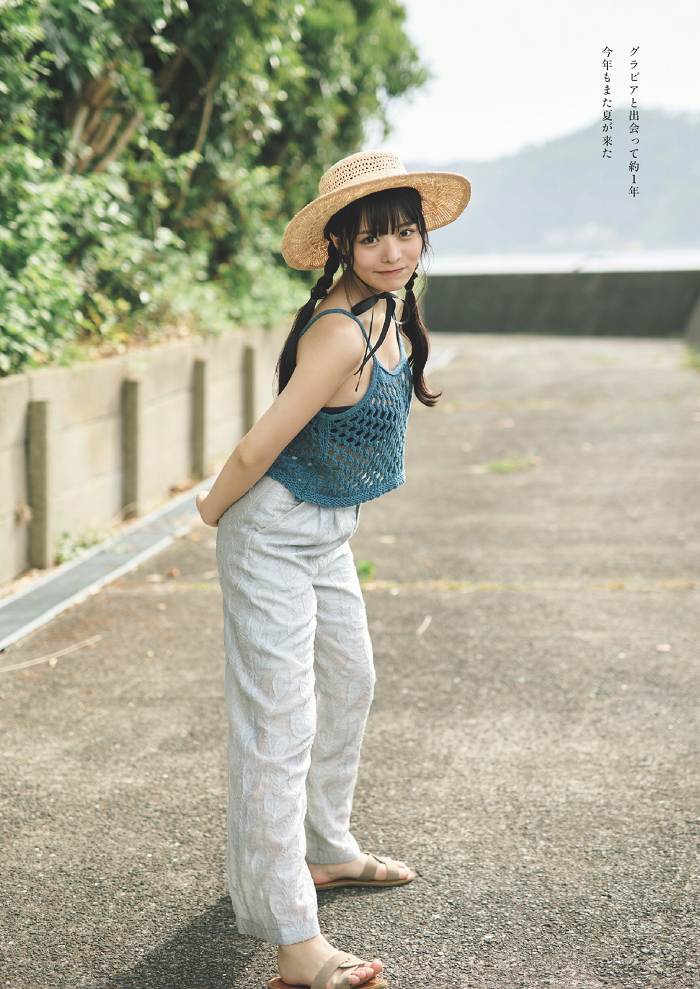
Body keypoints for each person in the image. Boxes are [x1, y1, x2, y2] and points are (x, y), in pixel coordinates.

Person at [196, 149, 471, 989]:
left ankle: (325, 847)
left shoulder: (392, 311)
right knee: (279, 727)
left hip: (326, 532)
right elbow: (258, 446)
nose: (393, 250)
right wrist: (210, 510)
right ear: (340, 245)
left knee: (350, 681)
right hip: (273, 533)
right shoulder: (339, 331)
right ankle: (294, 941)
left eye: (406, 232)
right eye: (372, 236)